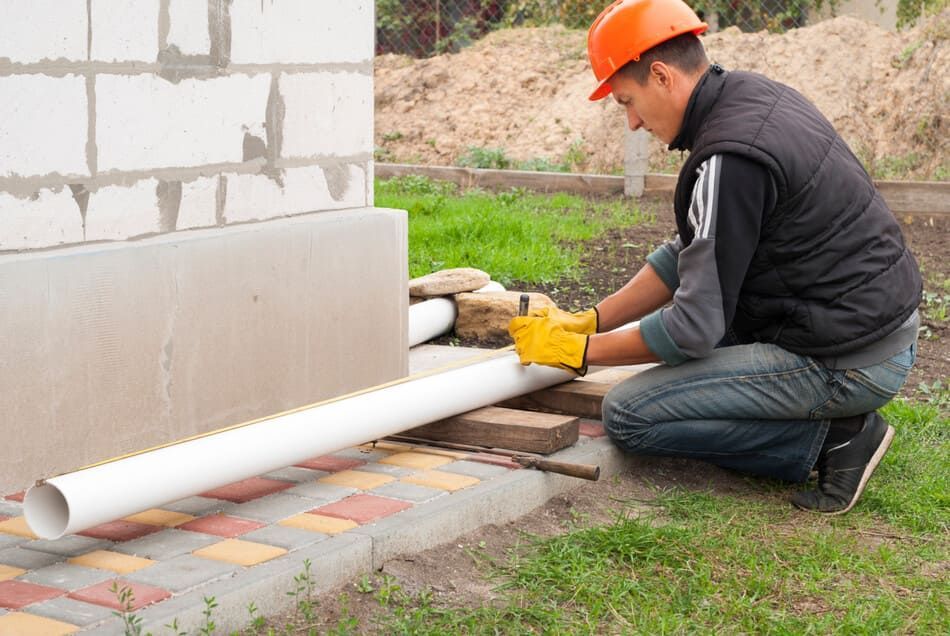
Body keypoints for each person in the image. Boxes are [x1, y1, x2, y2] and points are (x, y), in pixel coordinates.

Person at [508, 0, 922, 514]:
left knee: (630, 413)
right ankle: (829, 421)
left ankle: (834, 438)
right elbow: (692, 252)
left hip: (845, 359)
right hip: (865, 327)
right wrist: (588, 320)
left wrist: (580, 353)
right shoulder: (753, 98)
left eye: (627, 102)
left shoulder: (731, 156)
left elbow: (691, 329)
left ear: (660, 75)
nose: (633, 123)